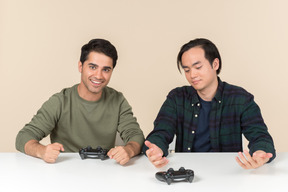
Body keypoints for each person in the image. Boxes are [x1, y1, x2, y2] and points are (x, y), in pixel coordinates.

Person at [142, 38, 276, 169]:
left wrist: (260, 152)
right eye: (187, 70)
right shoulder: (177, 98)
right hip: (187, 172)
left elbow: (260, 136)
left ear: (215, 64)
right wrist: (156, 148)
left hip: (228, 173)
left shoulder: (240, 99)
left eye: (198, 67)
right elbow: (161, 132)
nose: (192, 75)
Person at [16, 38, 144, 165]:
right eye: (93, 67)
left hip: (104, 171)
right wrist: (42, 151)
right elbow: (24, 136)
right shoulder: (60, 101)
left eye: (106, 69)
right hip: (65, 170)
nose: (99, 76)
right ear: (80, 66)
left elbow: (135, 135)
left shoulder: (118, 100)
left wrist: (128, 150)